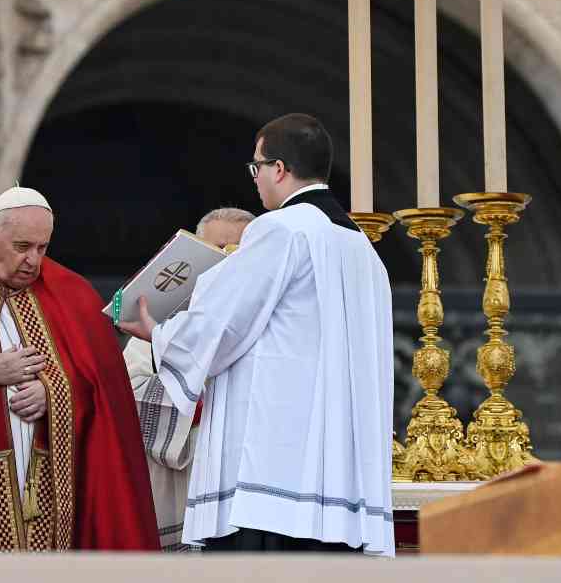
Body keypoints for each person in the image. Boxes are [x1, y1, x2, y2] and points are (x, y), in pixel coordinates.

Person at [121, 114, 395, 555]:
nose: (256, 180)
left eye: (257, 167)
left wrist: (156, 332)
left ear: (280, 169)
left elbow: (222, 323)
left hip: (273, 480)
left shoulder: (280, 230)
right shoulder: (360, 247)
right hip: (340, 479)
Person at [0, 186, 158, 552]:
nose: (33, 261)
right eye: (22, 247)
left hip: (49, 478)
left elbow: (104, 387)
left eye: (42, 248)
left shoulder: (72, 293)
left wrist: (56, 392)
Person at [122, 207, 254, 551]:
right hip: (179, 480)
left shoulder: (264, 321)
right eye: (216, 250)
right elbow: (130, 393)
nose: (225, 263)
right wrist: (202, 400)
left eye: (237, 251)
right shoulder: (163, 322)